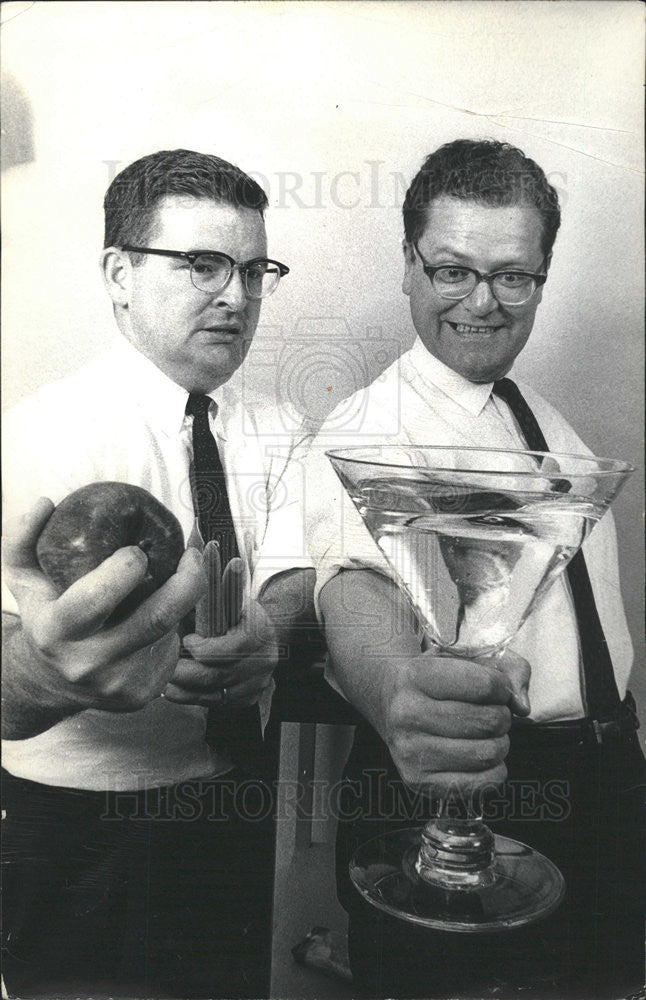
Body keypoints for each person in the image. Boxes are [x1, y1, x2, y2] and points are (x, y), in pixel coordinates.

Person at [305, 140, 645, 999]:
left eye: (513, 276)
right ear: (408, 267)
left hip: (601, 783)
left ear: (541, 277)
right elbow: (355, 582)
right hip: (456, 783)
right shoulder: (367, 430)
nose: (482, 303)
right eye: (452, 270)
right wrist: (394, 692)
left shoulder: (540, 418)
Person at [1, 148, 314, 999]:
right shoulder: (36, 434)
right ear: (120, 274)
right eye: (204, 265)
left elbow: (295, 576)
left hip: (235, 805)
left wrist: (270, 634)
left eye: (255, 270)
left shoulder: (283, 425)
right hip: (76, 828)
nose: (238, 297)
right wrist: (36, 668)